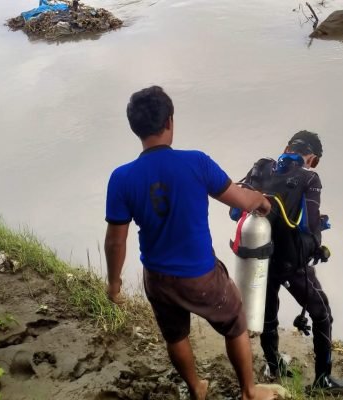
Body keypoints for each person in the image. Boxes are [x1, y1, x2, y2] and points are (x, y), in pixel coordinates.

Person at [104, 85, 277, 400]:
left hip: (156, 277)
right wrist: (260, 201)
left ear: (135, 128)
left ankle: (196, 387)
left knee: (175, 334)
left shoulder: (121, 178)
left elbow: (116, 242)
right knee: (236, 321)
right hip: (200, 275)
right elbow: (239, 198)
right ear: (170, 122)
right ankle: (250, 391)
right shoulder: (197, 163)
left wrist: (114, 285)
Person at [232, 131, 343, 393]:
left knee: (268, 315)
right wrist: (321, 235)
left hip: (260, 258)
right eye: (314, 161)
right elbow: (308, 225)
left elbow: (235, 212)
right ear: (313, 159)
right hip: (291, 262)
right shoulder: (310, 178)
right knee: (322, 314)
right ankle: (322, 380)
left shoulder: (261, 167)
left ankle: (274, 366)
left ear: (287, 147)